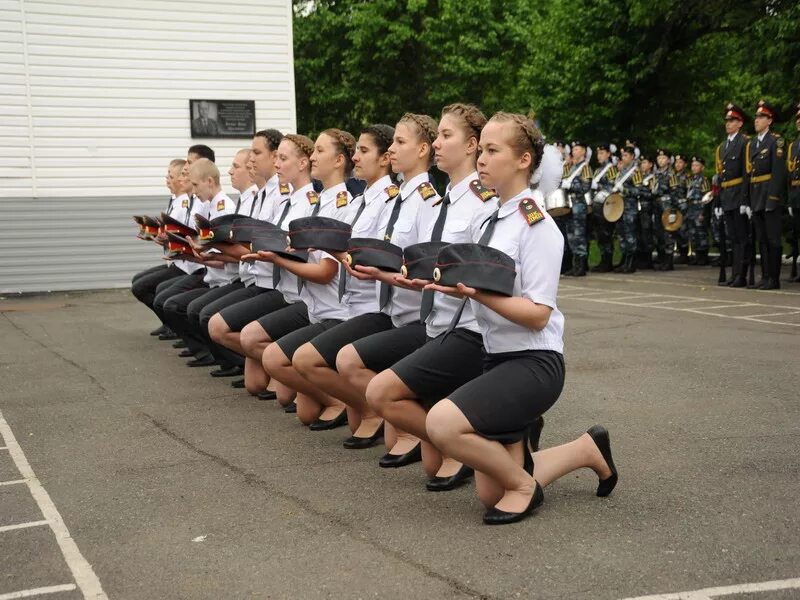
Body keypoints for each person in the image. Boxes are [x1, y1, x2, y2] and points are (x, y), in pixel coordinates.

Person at [421, 111, 617, 524]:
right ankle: (586, 450)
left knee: (441, 423)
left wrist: (476, 294)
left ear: (524, 160)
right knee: (491, 492)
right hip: (497, 357)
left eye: (493, 150)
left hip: (533, 363)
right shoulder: (487, 218)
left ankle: (526, 488)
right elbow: (472, 287)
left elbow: (538, 315)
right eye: (483, 150)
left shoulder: (537, 225)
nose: (482, 159)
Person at [365, 103, 500, 489]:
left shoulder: (483, 204)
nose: (437, 144)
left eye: (446, 136)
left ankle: (483, 436)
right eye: (436, 135)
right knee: (426, 462)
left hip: (468, 332)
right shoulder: (446, 201)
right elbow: (434, 277)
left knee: (383, 394)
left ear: (472, 145)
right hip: (435, 324)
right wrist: (397, 277)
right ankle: (477, 432)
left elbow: (482, 281)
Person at [335, 113, 440, 461]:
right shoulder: (397, 200)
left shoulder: (427, 200)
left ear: (423, 149)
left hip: (417, 320)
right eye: (392, 142)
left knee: (349, 362)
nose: (391, 150)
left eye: (400, 142)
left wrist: (378, 274)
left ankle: (434, 430)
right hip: (391, 312)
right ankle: (409, 416)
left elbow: (424, 270)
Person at [292, 124, 400, 445]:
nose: (356, 157)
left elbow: (370, 260)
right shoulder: (356, 203)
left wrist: (333, 251)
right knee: (305, 410)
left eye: (364, 151)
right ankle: (371, 405)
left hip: (374, 308)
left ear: (385, 159)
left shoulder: (389, 202)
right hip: (351, 307)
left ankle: (378, 406)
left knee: (305, 360)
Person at [252, 129, 356, 422]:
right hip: (315, 308)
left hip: (336, 311)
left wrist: (277, 259)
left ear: (338, 160)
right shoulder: (320, 201)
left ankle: (352, 402)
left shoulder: (340, 204)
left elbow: (325, 272)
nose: (312, 157)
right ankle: (340, 397)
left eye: (319, 151)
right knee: (301, 409)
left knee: (276, 365)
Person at [207, 130, 291, 394]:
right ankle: (275, 362)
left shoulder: (282, 194)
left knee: (217, 324)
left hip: (275, 285)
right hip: (256, 278)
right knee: (255, 386)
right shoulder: (261, 195)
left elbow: (274, 245)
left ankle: (286, 366)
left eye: (256, 153)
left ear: (275, 156)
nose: (251, 160)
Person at [131, 158, 191, 334]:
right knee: (139, 281)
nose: (167, 179)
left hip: (183, 264)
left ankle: (175, 326)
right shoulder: (176, 200)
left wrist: (166, 237)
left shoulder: (185, 203)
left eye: (170, 176)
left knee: (143, 287)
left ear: (181, 178)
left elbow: (184, 234)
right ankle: (170, 324)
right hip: (174, 261)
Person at [745, 100, 787, 290]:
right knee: (761, 239)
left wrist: (773, 198)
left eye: (761, 117)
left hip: (769, 194)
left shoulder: (776, 141)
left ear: (769, 120)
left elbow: (778, 172)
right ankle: (765, 276)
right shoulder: (753, 143)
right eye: (756, 117)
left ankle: (774, 278)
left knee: (772, 239)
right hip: (756, 195)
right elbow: (751, 173)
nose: (757, 120)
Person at [715, 103, 751, 287]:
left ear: (740, 123)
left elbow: (746, 173)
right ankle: (735, 273)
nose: (728, 123)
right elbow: (720, 176)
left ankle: (741, 274)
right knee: (733, 237)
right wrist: (718, 202)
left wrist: (746, 199)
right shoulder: (722, 147)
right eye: (727, 120)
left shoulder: (744, 142)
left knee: (741, 236)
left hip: (738, 194)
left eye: (733, 120)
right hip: (727, 195)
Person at [561, 141, 593, 276]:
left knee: (579, 235)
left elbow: (586, 187)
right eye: (573, 149)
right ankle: (575, 265)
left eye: (577, 149)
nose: (574, 151)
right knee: (571, 235)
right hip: (569, 204)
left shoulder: (585, 168)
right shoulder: (570, 167)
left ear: (583, 151)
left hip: (579, 204)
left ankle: (581, 266)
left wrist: (572, 186)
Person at [589, 143, 619, 272]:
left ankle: (608, 261)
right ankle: (603, 259)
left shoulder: (611, 169)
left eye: (602, 153)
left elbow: (613, 187)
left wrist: (600, 188)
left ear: (608, 154)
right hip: (598, 205)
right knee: (600, 234)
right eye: (598, 153)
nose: (599, 156)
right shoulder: (598, 170)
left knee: (606, 233)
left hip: (607, 206)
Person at [613, 145, 642, 273]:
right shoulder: (621, 171)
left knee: (630, 235)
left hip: (630, 207)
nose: (623, 158)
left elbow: (638, 190)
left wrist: (624, 190)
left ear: (632, 157)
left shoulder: (635, 172)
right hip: (620, 207)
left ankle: (631, 263)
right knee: (622, 235)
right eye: (622, 155)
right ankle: (624, 261)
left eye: (626, 155)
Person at [653, 148, 677, 271]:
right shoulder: (655, 173)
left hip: (667, 204)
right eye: (659, 158)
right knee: (658, 233)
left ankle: (669, 261)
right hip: (656, 204)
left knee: (668, 233)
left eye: (663, 158)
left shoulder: (671, 174)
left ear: (668, 160)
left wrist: (673, 210)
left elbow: (674, 192)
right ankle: (662, 258)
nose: (660, 160)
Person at [685, 156, 711, 265]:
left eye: (697, 165)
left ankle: (703, 256)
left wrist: (703, 212)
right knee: (693, 233)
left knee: (701, 233)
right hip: (691, 209)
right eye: (693, 165)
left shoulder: (704, 180)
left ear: (702, 167)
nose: (694, 167)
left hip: (699, 208)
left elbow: (707, 197)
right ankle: (696, 255)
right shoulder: (691, 180)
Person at [635, 152, 658, 269]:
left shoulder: (652, 178)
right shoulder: (638, 176)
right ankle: (640, 258)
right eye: (641, 163)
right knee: (638, 233)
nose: (642, 165)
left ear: (650, 164)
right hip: (638, 208)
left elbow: (652, 193)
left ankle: (648, 259)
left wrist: (639, 191)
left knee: (646, 233)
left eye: (645, 163)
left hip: (647, 209)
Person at [788, 103, 800, 283]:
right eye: (797, 119)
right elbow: (790, 174)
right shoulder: (793, 146)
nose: (798, 122)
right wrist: (790, 199)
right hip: (797, 194)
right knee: (797, 233)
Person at [672, 154, 691, 264]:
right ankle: (679, 251)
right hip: (674, 206)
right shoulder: (673, 175)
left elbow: (689, 192)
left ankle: (685, 253)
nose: (678, 164)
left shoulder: (687, 177)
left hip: (683, 206)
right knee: (675, 229)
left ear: (685, 164)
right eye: (676, 162)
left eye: (680, 162)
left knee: (683, 230)